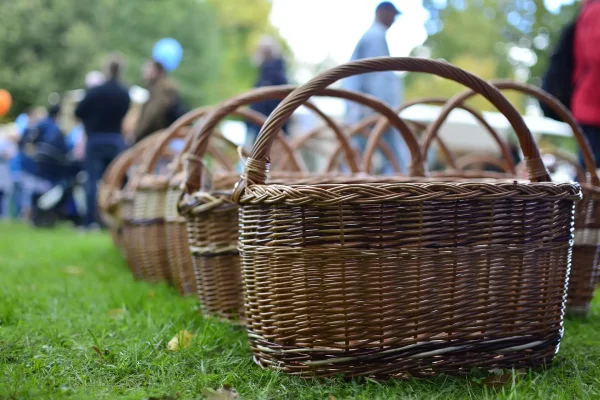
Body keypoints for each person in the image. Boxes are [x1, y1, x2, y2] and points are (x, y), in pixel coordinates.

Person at [344, 1, 409, 174]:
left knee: (357, 156)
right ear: (384, 12)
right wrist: (386, 110)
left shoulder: (372, 36)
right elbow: (378, 77)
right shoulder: (376, 36)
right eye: (393, 15)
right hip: (372, 110)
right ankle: (401, 193)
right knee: (394, 158)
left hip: (364, 109)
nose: (394, 19)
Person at [75, 55, 130, 227]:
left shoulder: (95, 91)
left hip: (96, 139)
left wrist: (90, 123)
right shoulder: (124, 93)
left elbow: (79, 111)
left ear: (106, 70)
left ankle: (91, 221)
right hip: (115, 139)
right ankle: (114, 220)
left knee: (92, 182)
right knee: (115, 182)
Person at [19, 104, 69, 218]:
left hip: (37, 165)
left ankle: (32, 214)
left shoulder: (40, 125)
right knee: (48, 191)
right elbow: (64, 149)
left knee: (34, 191)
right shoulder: (55, 128)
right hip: (51, 167)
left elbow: (27, 142)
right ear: (58, 114)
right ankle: (41, 214)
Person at [133, 38, 185, 143]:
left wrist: (135, 138)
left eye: (148, 68)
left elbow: (149, 122)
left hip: (155, 147)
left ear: (158, 72)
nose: (144, 71)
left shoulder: (160, 94)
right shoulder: (164, 92)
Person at [245, 36, 289, 147]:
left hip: (267, 131)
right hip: (263, 128)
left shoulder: (273, 77)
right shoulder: (265, 75)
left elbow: (270, 106)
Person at [572, 0, 600, 167]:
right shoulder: (596, 10)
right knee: (590, 173)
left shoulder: (589, 10)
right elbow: (596, 56)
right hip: (593, 108)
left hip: (588, 106)